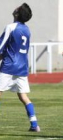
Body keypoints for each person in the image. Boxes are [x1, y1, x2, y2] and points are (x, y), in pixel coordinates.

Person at [0, 3, 40, 132]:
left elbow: (1, 47)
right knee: (23, 96)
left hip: (9, 66)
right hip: (22, 67)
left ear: (17, 13)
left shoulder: (10, 27)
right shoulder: (27, 29)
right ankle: (34, 124)